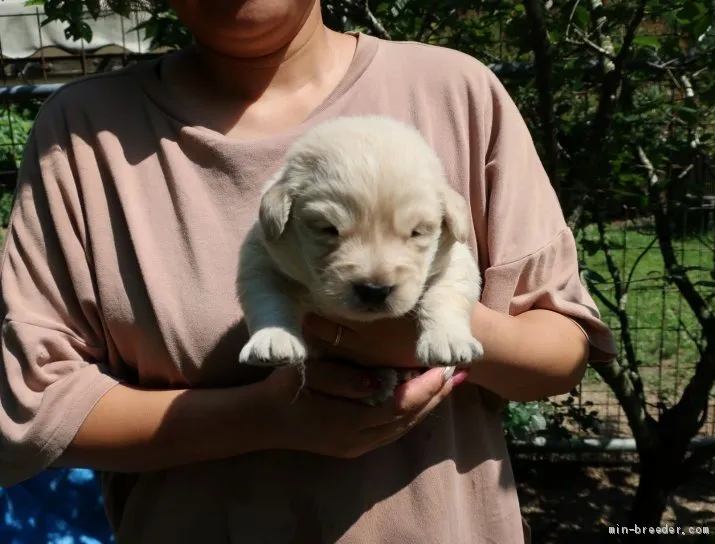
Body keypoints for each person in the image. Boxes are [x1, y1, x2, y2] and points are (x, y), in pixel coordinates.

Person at [0, 1, 618, 542]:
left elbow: (559, 355)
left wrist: (424, 321)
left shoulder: (454, 92)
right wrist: (264, 419)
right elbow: (30, 406)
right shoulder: (82, 135)